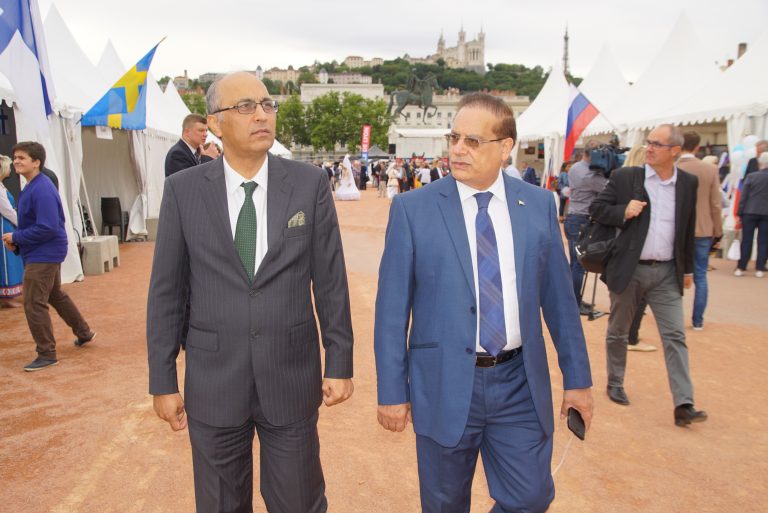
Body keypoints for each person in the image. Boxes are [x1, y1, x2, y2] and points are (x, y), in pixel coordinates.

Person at [375, 93, 593, 513]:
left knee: (530, 498)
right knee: (444, 504)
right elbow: (391, 312)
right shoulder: (412, 209)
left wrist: (578, 380)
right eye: (454, 138)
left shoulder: (538, 205)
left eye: (472, 141)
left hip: (519, 383)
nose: (458, 149)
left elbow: (561, 304)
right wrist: (392, 391)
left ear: (505, 147)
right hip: (443, 382)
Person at [147, 72, 354, 513]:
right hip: (214, 381)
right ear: (215, 123)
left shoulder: (309, 184)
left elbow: (330, 281)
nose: (261, 115)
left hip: (291, 377)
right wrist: (162, 380)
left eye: (267, 104)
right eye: (245, 106)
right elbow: (167, 292)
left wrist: (339, 361)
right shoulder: (183, 191)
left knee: (299, 502)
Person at [590, 124, 707, 427]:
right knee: (618, 330)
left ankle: (684, 403)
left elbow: (687, 227)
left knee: (675, 335)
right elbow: (597, 209)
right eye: (648, 142)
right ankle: (615, 382)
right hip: (630, 268)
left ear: (675, 151)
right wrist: (623, 211)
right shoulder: (627, 177)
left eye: (656, 144)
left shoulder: (688, 183)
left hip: (667, 271)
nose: (649, 148)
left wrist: (688, 269)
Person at [1, 142, 95, 371]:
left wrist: (17, 237)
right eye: (15, 157)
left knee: (33, 302)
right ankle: (83, 332)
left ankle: (47, 354)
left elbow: (47, 227)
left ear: (36, 162)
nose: (16, 161)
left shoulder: (41, 189)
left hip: (44, 254)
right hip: (45, 251)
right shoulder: (33, 186)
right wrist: (18, 243)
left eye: (22, 158)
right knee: (55, 294)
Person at [676, 132, 723, 328]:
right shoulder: (710, 169)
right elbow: (716, 203)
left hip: (677, 229)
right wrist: (718, 230)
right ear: (697, 147)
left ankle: (674, 319)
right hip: (703, 228)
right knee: (701, 276)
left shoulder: (674, 167)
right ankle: (698, 321)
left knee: (674, 274)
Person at [563, 141, 607, 314]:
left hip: (574, 217)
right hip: (581, 220)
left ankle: (574, 299)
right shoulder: (588, 174)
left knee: (575, 263)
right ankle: (574, 302)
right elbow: (607, 186)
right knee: (579, 265)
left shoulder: (576, 167)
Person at [735, 151, 768, 277]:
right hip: (766, 213)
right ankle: (759, 268)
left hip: (749, 211)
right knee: (763, 241)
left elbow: (744, 196)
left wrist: (739, 212)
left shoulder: (751, 176)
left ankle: (741, 267)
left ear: (760, 163)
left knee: (746, 240)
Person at [0, 155, 24, 307]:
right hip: (4, 225)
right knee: (6, 260)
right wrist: (22, 224)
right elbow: (7, 211)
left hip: (7, 224)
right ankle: (6, 297)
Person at [165, 113, 219, 177]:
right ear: (187, 132)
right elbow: (192, 181)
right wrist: (208, 158)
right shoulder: (177, 154)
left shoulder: (193, 152)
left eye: (206, 131)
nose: (205, 134)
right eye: (201, 130)